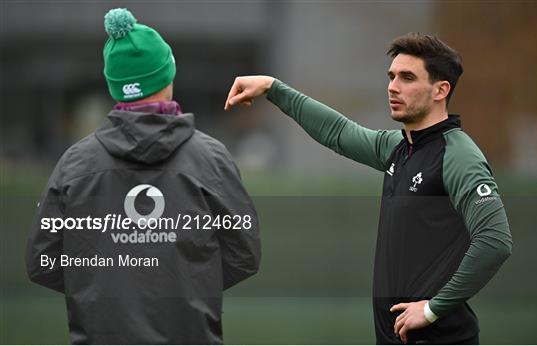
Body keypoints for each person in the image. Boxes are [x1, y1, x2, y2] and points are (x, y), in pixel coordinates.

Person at [224, 32, 512, 344]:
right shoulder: (401, 147)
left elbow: (495, 241)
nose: (393, 86)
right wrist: (273, 88)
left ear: (441, 89)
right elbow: (338, 132)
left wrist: (432, 309)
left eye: (407, 77)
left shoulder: (458, 155)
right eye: (391, 76)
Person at [26, 8, 260, 344]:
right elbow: (244, 255)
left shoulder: (74, 164)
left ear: (116, 88)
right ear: (168, 78)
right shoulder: (211, 159)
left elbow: (42, 262)